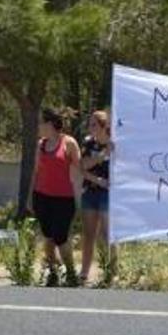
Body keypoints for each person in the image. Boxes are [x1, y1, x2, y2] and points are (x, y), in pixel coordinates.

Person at [30, 107, 82, 287]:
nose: (39, 126)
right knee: (48, 237)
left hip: (64, 198)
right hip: (42, 196)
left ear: (50, 124)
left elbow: (78, 171)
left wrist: (79, 199)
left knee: (61, 237)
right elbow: (36, 172)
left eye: (41, 122)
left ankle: (71, 272)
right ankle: (53, 272)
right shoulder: (40, 144)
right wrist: (30, 197)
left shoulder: (69, 143)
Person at [79, 110, 117, 285]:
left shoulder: (114, 144)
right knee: (88, 234)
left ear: (104, 126)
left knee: (107, 234)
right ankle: (84, 273)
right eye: (90, 124)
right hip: (90, 191)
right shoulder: (88, 143)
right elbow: (83, 166)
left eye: (94, 124)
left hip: (109, 193)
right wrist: (102, 156)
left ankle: (110, 271)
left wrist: (109, 151)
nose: (90, 128)